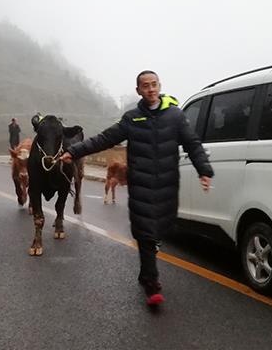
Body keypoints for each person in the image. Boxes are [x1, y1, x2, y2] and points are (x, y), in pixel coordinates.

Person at [60, 70, 214, 305]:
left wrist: (204, 170)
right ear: (138, 91)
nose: (151, 89)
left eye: (154, 84)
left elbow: (192, 143)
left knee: (161, 228)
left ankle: (145, 273)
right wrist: (74, 151)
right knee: (145, 232)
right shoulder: (132, 119)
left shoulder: (175, 116)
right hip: (141, 184)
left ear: (159, 86)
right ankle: (152, 284)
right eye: (145, 86)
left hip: (167, 184)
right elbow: (105, 138)